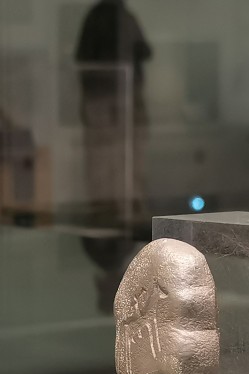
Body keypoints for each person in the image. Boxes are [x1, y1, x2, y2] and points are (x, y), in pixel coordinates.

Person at [75, 0, 152, 226]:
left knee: (126, 156)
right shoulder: (105, 17)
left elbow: (143, 51)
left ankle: (123, 206)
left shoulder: (124, 17)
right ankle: (106, 209)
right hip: (103, 99)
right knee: (104, 157)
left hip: (119, 98)